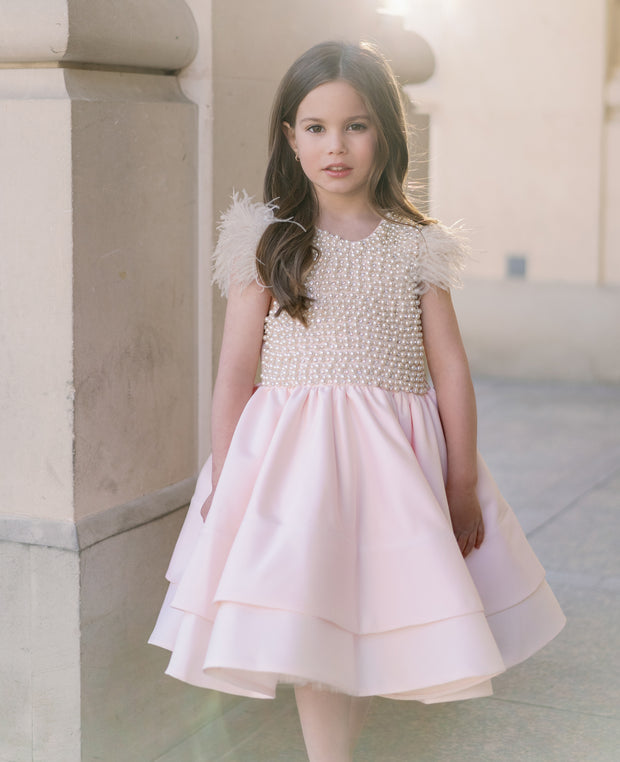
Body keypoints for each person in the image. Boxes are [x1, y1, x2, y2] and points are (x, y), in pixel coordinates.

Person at [149, 40, 565, 762]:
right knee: (314, 622)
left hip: (392, 468)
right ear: (289, 137)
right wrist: (227, 476)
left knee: (379, 614)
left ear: (386, 134)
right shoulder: (267, 241)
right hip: (293, 471)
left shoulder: (415, 246)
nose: (334, 145)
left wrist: (460, 479)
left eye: (355, 125)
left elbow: (451, 371)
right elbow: (234, 375)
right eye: (315, 127)